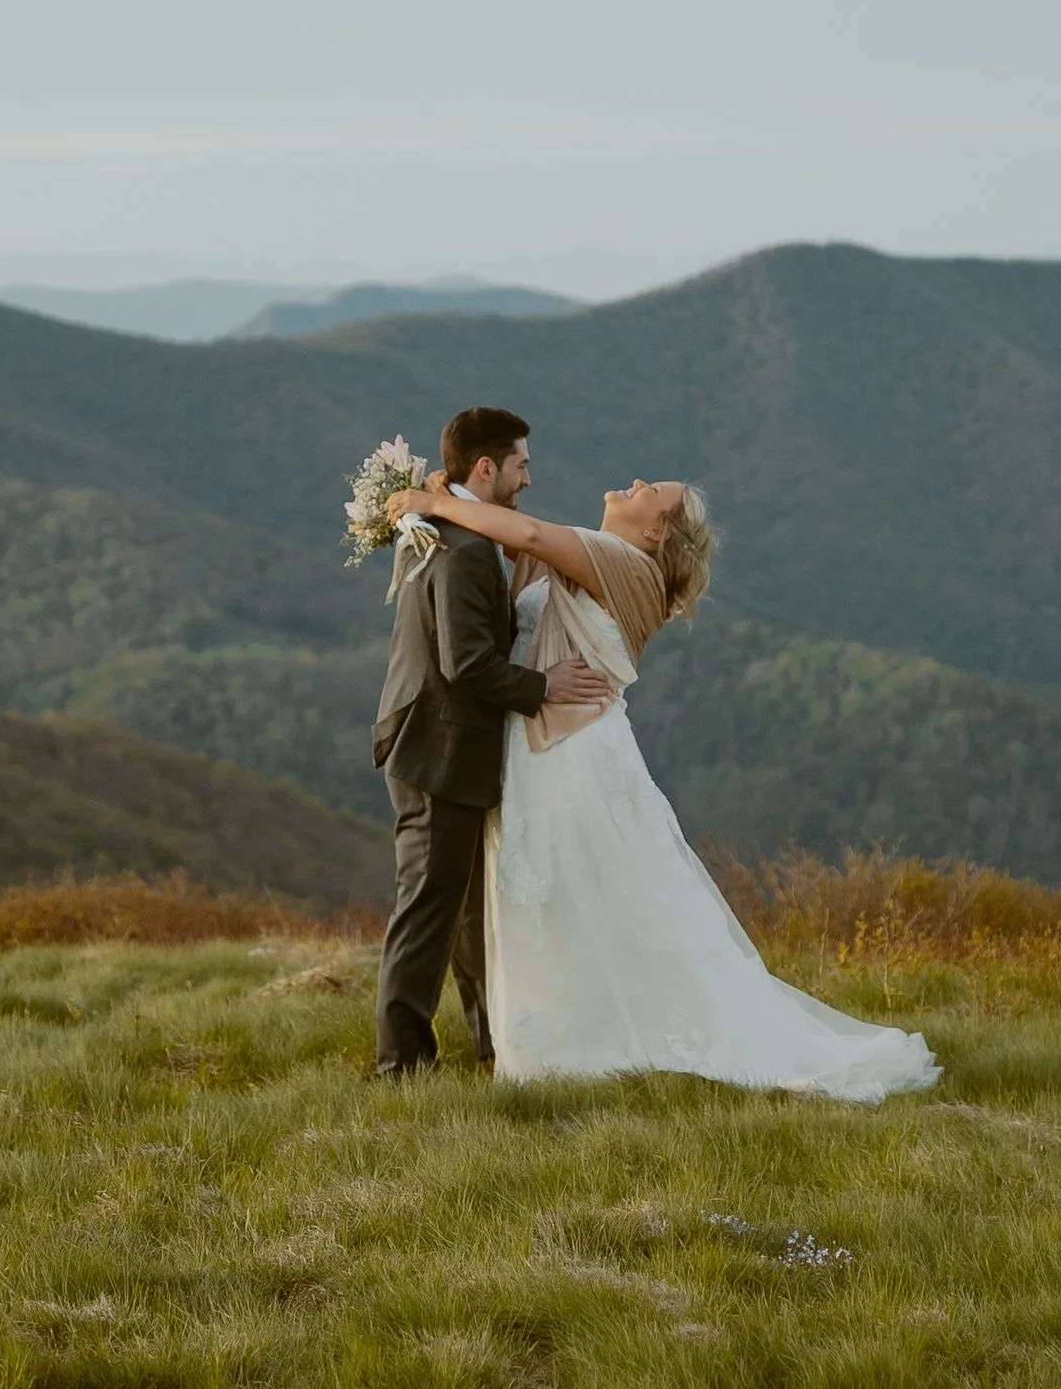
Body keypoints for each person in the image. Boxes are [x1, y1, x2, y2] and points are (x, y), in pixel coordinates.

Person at [389, 459, 938, 1099]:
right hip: (535, 753)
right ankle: (552, 1040)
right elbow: (513, 538)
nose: (637, 484)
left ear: (656, 533)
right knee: (556, 903)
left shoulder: (629, 567)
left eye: (652, 492)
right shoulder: (588, 557)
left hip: (571, 760)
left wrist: (428, 503)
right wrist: (442, 493)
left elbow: (529, 535)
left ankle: (581, 1047)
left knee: (570, 897)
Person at [370, 406, 614, 1077]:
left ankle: (493, 1042)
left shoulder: (439, 528)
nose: (528, 479)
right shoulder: (466, 549)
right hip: (437, 754)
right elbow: (466, 664)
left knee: (468, 915)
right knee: (428, 912)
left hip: (442, 749)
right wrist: (544, 686)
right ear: (486, 468)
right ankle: (401, 1067)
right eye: (521, 466)